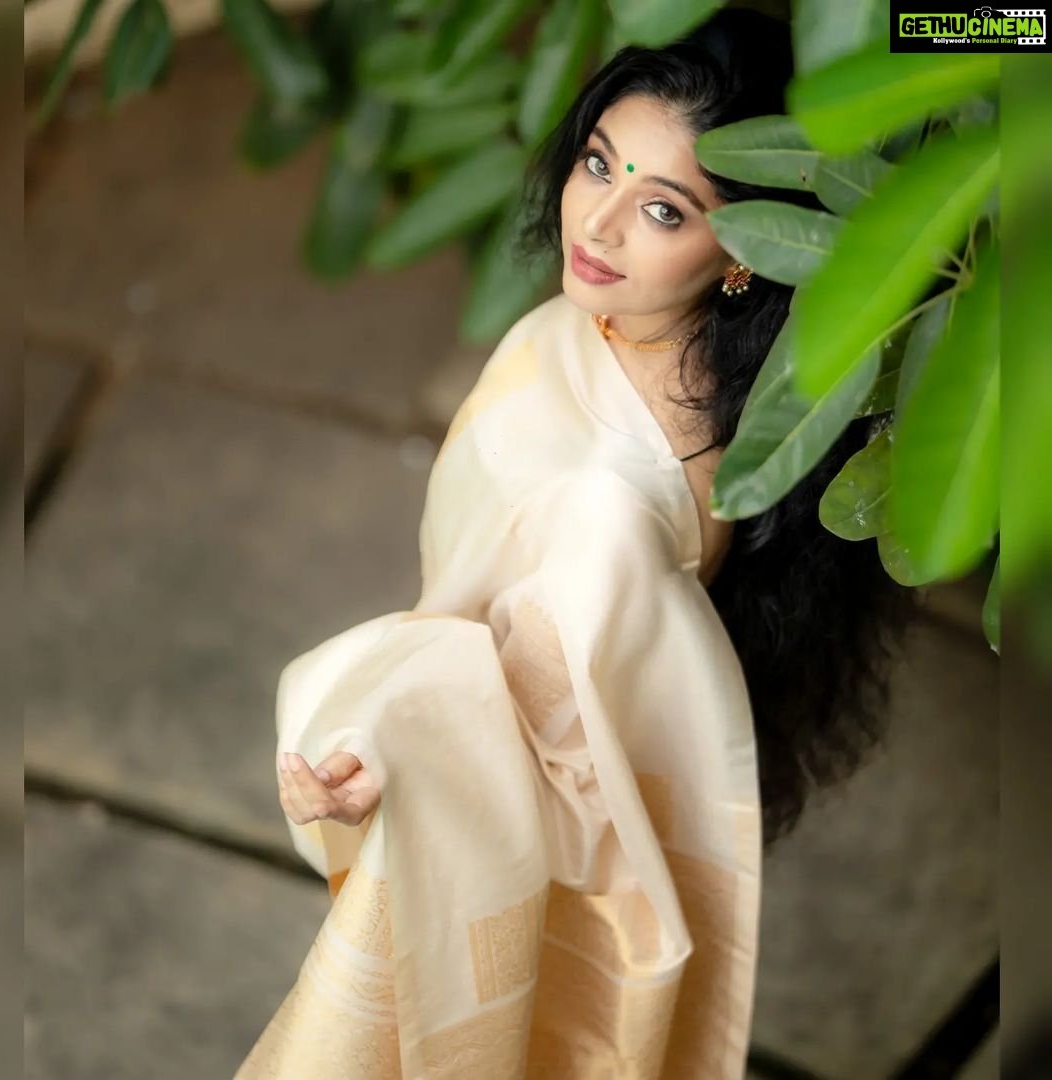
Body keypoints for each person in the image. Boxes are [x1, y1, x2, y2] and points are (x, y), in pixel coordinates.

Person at [235, 9, 916, 1078]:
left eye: (663, 209)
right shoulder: (661, 350)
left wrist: (393, 739)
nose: (596, 224)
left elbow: (551, 768)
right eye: (598, 162)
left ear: (746, 252)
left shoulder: (611, 514)